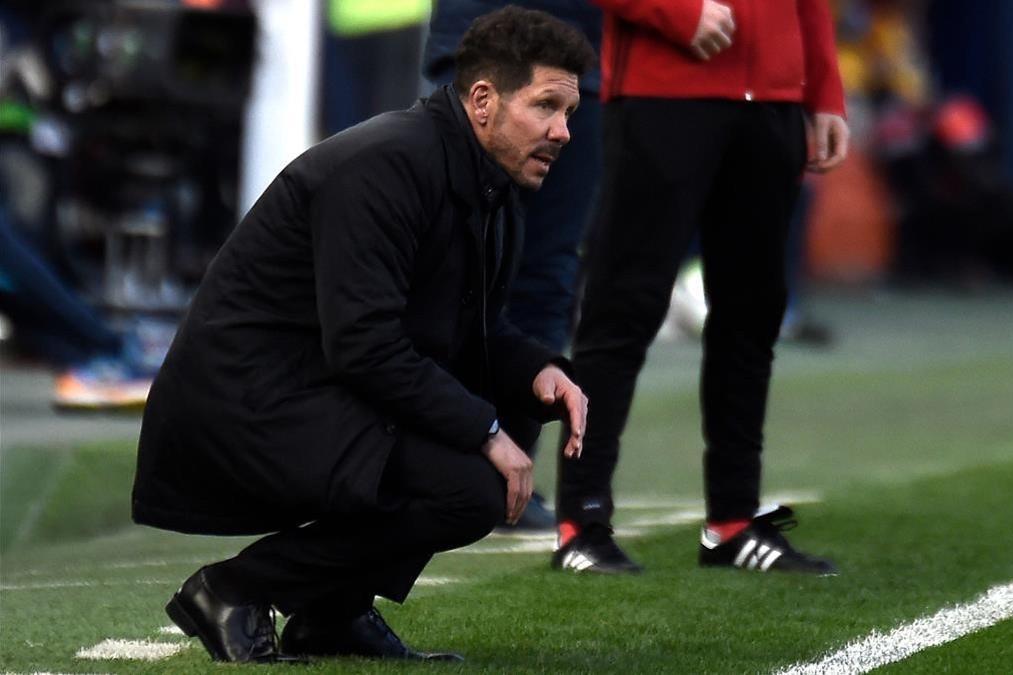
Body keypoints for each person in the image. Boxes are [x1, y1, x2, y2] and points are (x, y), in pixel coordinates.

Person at [132, 7, 594, 663]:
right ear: (484, 100)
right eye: (547, 106)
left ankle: (331, 612)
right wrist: (486, 433)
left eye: (569, 111)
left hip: (318, 387)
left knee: (486, 447)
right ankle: (233, 587)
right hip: (244, 403)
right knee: (469, 487)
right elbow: (364, 343)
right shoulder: (387, 163)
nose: (563, 131)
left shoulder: (485, 180)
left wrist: (537, 373)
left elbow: (471, 329)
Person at [553, 0, 850, 574]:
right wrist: (677, 13)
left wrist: (823, 91)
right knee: (624, 309)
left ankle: (733, 523)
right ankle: (580, 521)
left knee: (752, 314)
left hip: (772, 103)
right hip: (663, 94)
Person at [423, 0, 604, 530]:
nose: (558, 132)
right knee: (451, 264)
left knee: (548, 276)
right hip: (476, 45)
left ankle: (508, 470)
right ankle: (442, 457)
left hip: (577, 55)